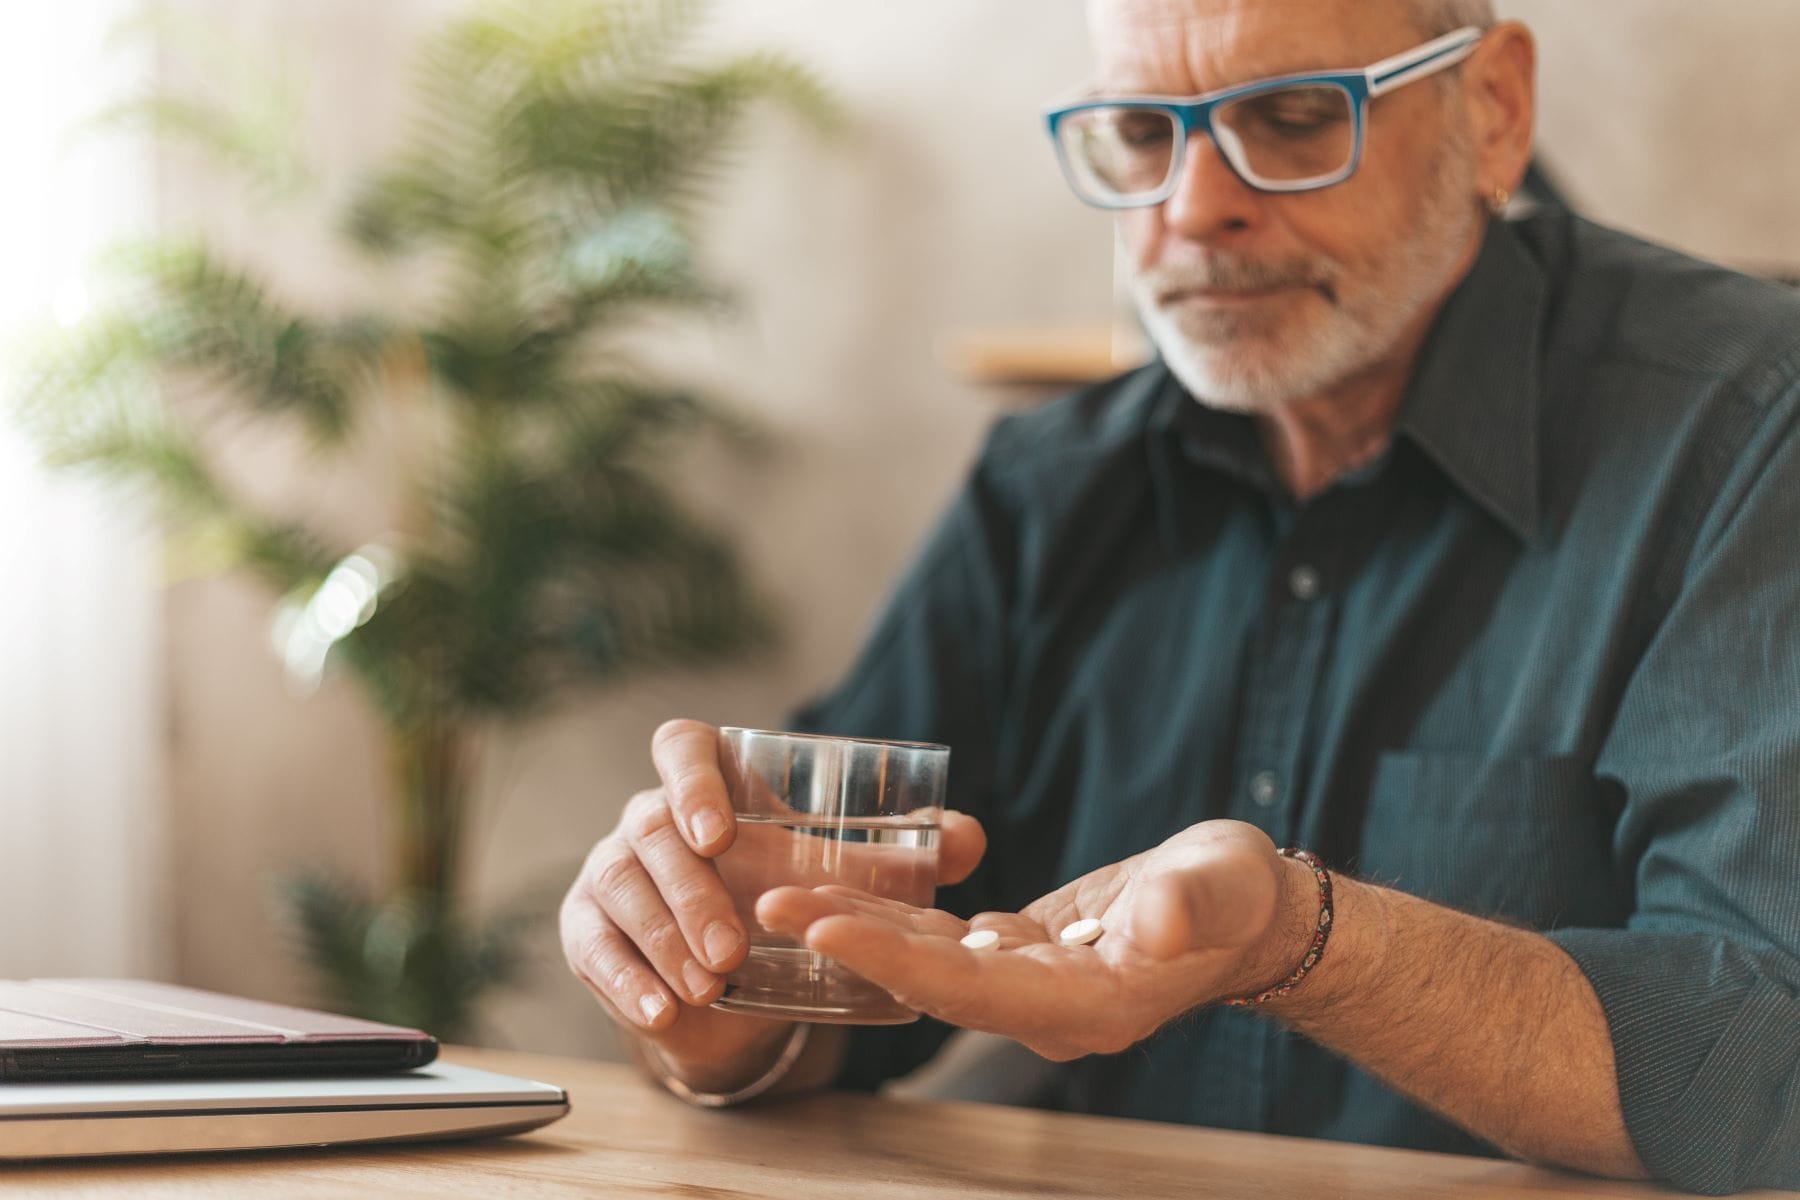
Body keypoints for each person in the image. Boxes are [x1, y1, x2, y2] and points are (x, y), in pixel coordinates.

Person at [559, 0, 1800, 1192]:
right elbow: (830, 997)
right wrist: (713, 974)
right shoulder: (1048, 490)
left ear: (1493, 106)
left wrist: (1306, 942)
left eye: (1301, 118)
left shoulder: (1749, 434)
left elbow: (1764, 1060)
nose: (1197, 208)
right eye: (1147, 133)